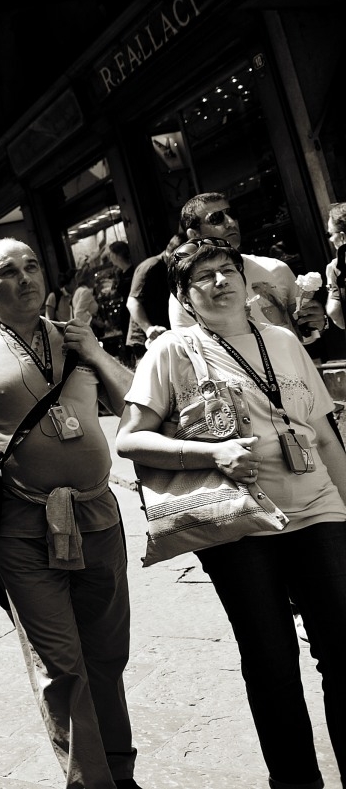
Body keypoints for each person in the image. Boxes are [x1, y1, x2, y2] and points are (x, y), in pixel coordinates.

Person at [0, 240, 145, 789]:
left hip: (97, 518)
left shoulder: (74, 337)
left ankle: (121, 771)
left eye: (32, 266)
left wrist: (96, 352)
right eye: (8, 272)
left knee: (107, 656)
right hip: (18, 526)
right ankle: (90, 783)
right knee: (61, 665)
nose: (25, 278)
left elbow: (135, 405)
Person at [117, 237, 346, 789]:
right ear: (184, 296)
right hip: (241, 520)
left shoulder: (283, 341)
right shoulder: (172, 351)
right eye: (204, 276)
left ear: (246, 283)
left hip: (318, 507)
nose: (220, 282)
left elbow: (323, 434)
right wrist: (211, 453)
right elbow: (129, 440)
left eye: (228, 270)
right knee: (271, 661)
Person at [170, 192, 324, 344]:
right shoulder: (189, 292)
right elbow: (189, 349)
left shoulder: (276, 268)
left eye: (232, 214)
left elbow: (305, 335)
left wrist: (316, 322)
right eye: (216, 218)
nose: (231, 222)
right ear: (194, 234)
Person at [126, 234, 180, 364]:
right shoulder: (151, 266)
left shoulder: (169, 268)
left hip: (163, 336)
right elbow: (132, 302)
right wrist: (149, 329)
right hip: (145, 339)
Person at [323, 202, 346, 331]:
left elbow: (335, 312)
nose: (330, 239)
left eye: (330, 234)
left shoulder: (338, 267)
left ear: (342, 237)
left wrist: (332, 285)